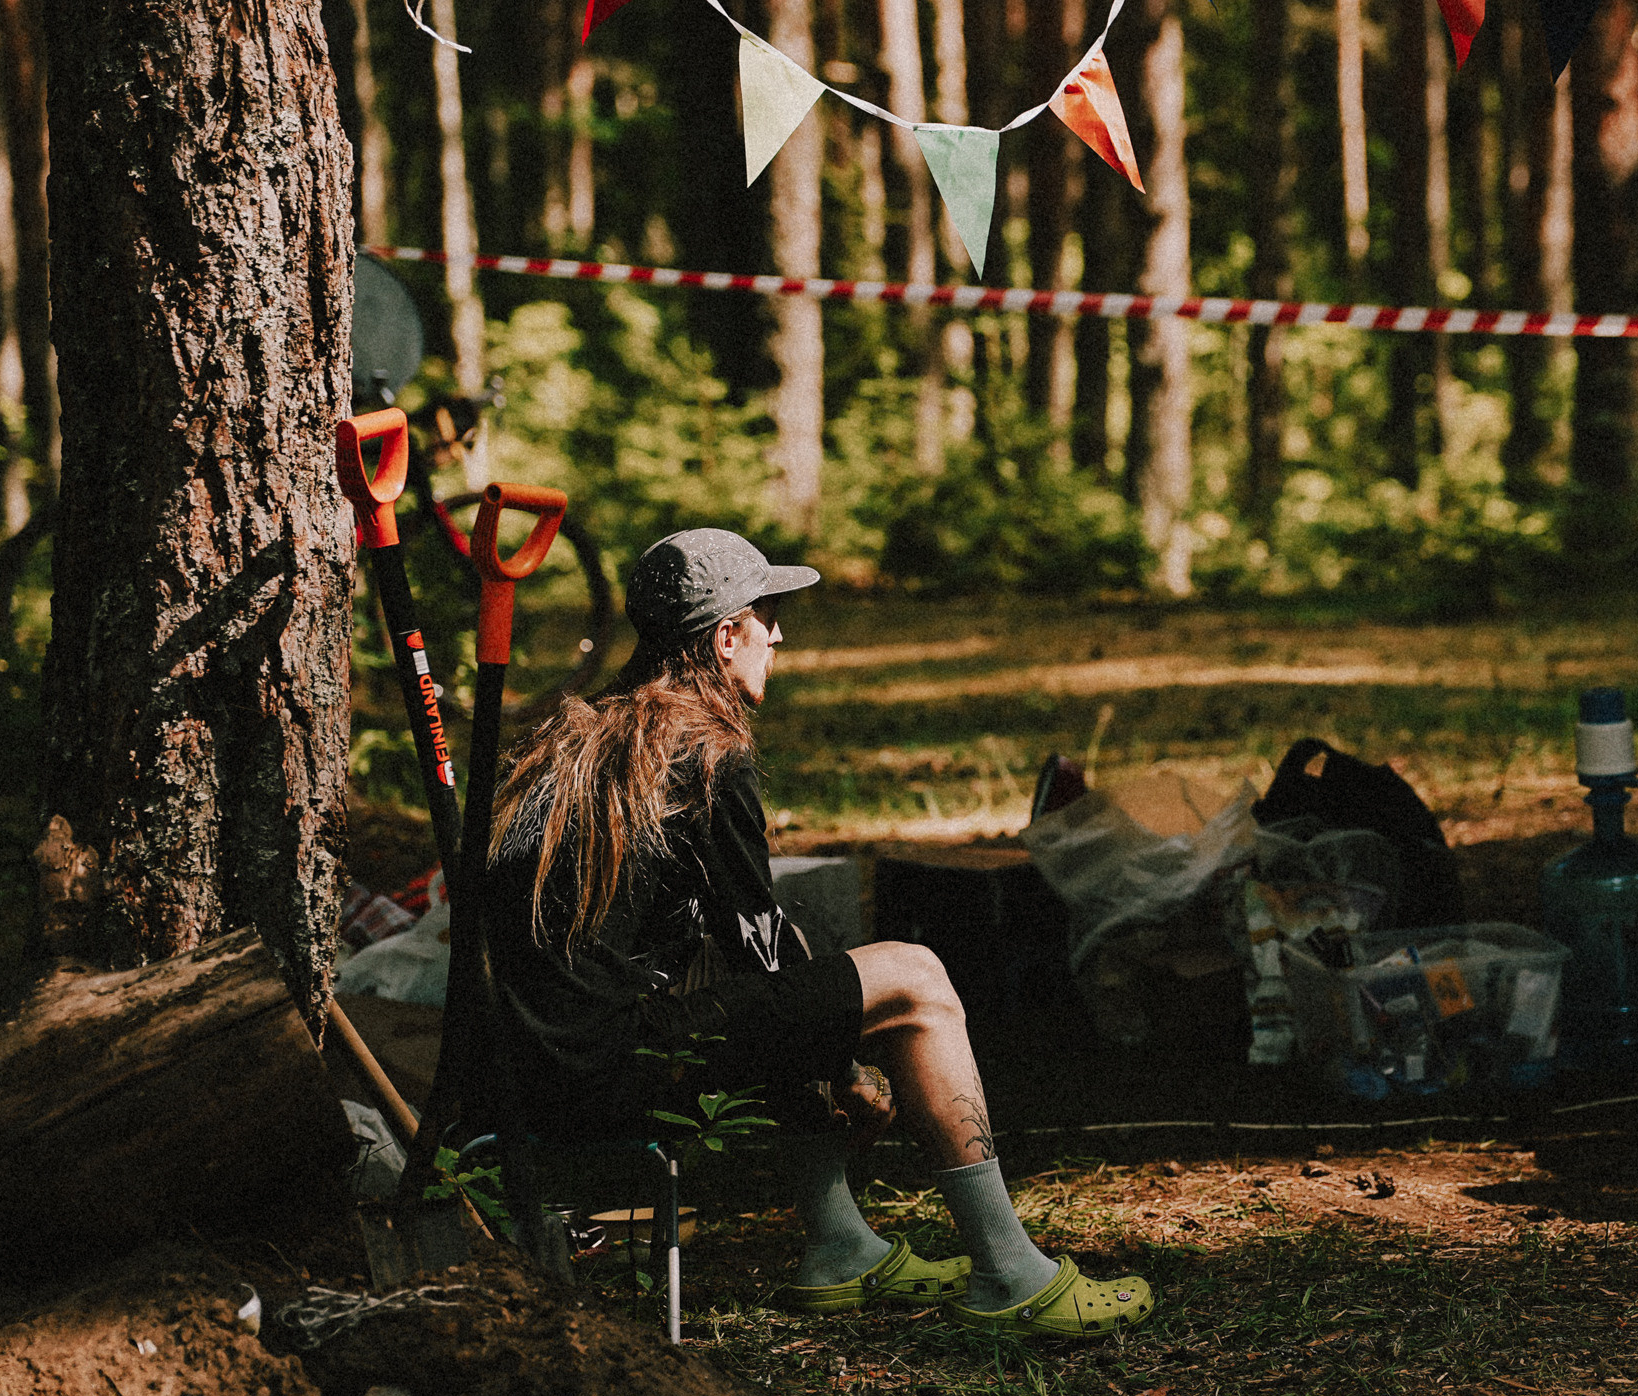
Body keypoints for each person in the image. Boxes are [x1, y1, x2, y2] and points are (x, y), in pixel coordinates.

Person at [484, 527, 1152, 1339]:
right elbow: (759, 949)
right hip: (610, 1072)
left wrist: (822, 1035)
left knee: (779, 974)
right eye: (766, 617)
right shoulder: (703, 750)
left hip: (527, 1071)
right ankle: (1011, 1274)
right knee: (917, 979)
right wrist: (844, 1069)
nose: (779, 636)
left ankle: (838, 1244)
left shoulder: (581, 739)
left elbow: (752, 952)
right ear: (725, 637)